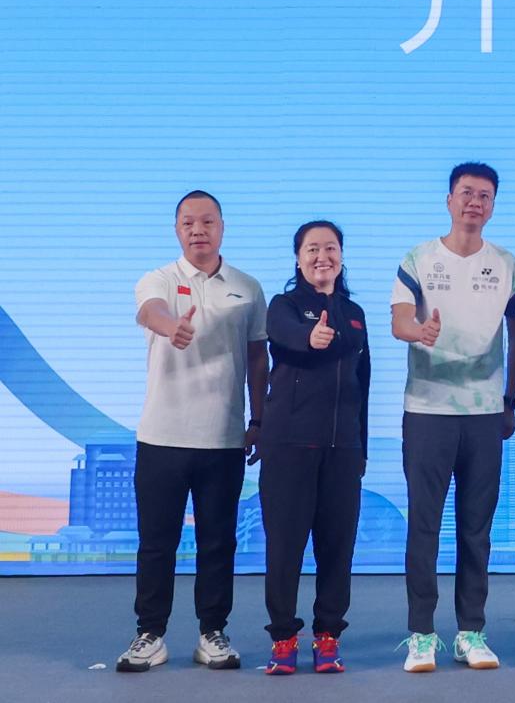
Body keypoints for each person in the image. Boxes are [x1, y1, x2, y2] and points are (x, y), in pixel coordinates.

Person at [117, 190, 268, 672]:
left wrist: (258, 419)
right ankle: (150, 633)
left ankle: (212, 632)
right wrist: (171, 328)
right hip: (161, 436)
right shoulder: (158, 279)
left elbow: (258, 357)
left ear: (222, 227)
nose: (198, 230)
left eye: (207, 221)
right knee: (156, 542)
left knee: (218, 542)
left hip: (223, 437)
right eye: (188, 223)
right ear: (177, 230)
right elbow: (150, 311)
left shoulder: (247, 287)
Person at [392, 162, 515, 672]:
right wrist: (419, 332)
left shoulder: (506, 264)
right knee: (424, 526)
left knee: (476, 529)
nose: (475, 202)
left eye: (484, 196)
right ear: (449, 200)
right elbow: (399, 320)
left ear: (492, 206)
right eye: (466, 193)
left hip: (485, 414)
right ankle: (421, 634)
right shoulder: (418, 258)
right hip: (427, 411)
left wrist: (510, 399)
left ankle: (471, 632)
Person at [258, 220, 370, 675]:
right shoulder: (283, 306)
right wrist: (311, 337)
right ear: (298, 258)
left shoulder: (355, 312)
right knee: (285, 547)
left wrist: (361, 446)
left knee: (337, 547)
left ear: (341, 256)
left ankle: (328, 636)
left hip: (343, 449)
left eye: (331, 248)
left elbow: (363, 384)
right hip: (289, 445)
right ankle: (283, 638)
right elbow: (285, 335)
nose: (322, 256)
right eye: (312, 249)